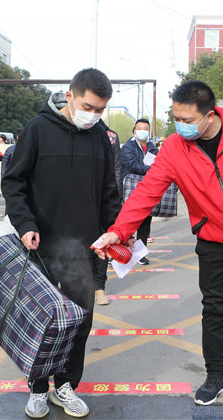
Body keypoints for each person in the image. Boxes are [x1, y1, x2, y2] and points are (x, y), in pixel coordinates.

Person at [94, 80, 223, 406]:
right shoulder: (173, 148)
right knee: (214, 312)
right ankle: (215, 375)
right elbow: (147, 192)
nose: (180, 126)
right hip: (213, 242)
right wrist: (118, 232)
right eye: (176, 119)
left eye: (187, 120)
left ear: (209, 115)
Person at [2, 68, 120, 419]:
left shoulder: (100, 137)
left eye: (100, 110)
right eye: (88, 107)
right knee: (42, 319)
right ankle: (38, 388)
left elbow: (109, 192)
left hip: (84, 247)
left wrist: (112, 233)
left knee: (79, 320)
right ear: (70, 96)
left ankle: (66, 385)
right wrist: (25, 224)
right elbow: (13, 183)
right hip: (39, 246)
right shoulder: (37, 129)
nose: (93, 115)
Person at [121, 118, 158, 265]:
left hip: (148, 189)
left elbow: (160, 164)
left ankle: (140, 254)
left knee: (145, 223)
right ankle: (119, 253)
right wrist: (151, 169)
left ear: (149, 132)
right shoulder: (127, 148)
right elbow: (132, 165)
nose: (143, 131)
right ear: (134, 132)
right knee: (127, 222)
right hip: (131, 190)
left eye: (146, 129)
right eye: (139, 128)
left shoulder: (153, 149)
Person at [94, 119, 122, 306]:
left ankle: (99, 287)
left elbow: (116, 168)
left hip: (104, 198)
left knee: (103, 241)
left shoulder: (110, 136)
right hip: (76, 201)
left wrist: (116, 199)